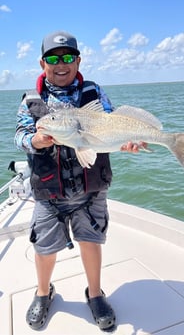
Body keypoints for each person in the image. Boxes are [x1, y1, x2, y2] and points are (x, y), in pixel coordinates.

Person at [15, 30, 143, 331]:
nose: (62, 64)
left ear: (78, 60)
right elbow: (20, 135)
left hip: (91, 189)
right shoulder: (31, 100)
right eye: (53, 58)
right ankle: (43, 293)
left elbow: (111, 122)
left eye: (68, 57)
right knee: (45, 249)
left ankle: (95, 294)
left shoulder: (93, 91)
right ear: (42, 62)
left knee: (91, 241)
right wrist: (35, 139)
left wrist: (126, 141)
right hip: (50, 191)